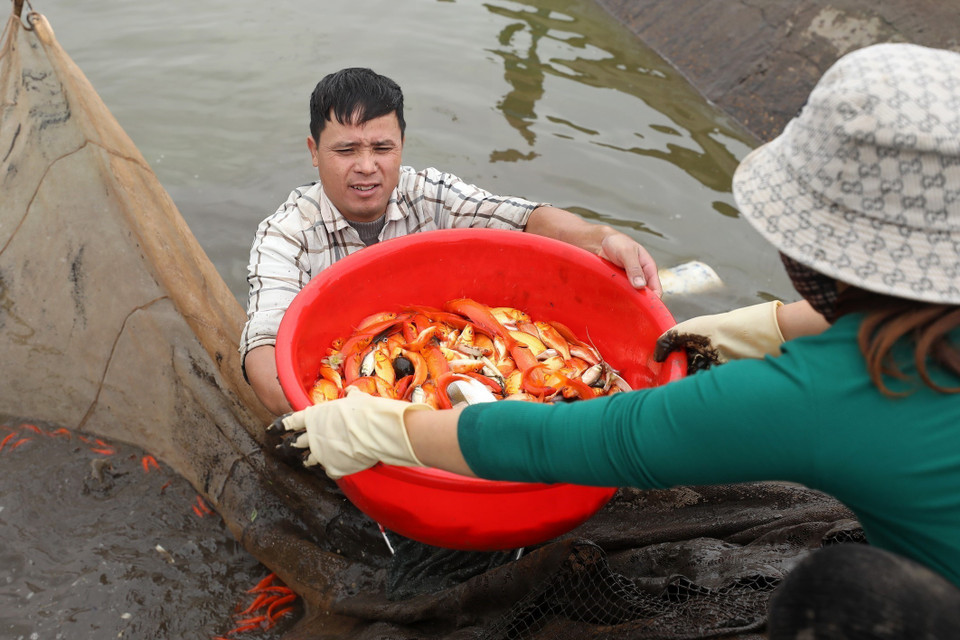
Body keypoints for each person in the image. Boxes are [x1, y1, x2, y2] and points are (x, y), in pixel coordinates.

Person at [272, 43, 960, 637]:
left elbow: (585, 438)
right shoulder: (909, 332)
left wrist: (387, 428)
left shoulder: (815, 393)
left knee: (840, 592)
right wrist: (766, 325)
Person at [241, 67, 662, 416]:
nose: (366, 167)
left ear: (402, 145)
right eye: (346, 150)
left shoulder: (429, 194)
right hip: (354, 406)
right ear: (314, 151)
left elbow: (524, 218)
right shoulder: (285, 234)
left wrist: (600, 236)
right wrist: (356, 428)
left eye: (382, 147)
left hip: (461, 358)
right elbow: (264, 353)